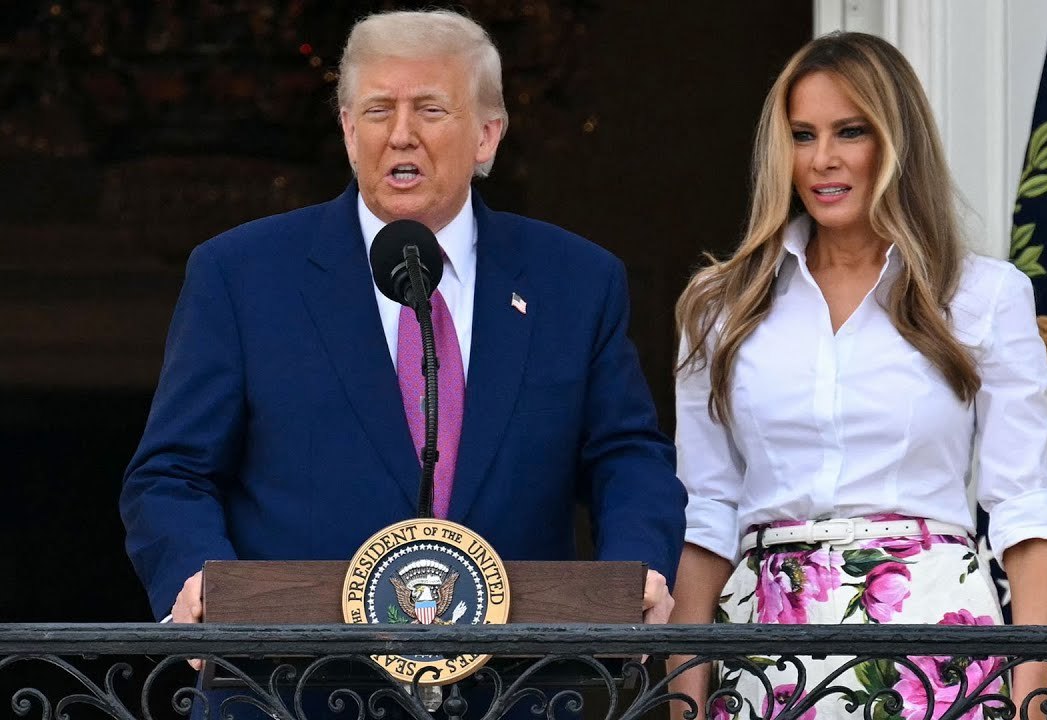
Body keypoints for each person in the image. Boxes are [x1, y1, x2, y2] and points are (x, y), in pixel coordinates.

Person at [120, 9, 683, 637]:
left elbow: (627, 458)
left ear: (487, 136)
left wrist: (638, 570)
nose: (401, 135)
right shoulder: (241, 275)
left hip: (519, 673)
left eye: (430, 110)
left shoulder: (574, 281)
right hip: (292, 675)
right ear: (347, 130)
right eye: (378, 110)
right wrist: (199, 580)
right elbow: (172, 475)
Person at [667, 32, 1047, 720]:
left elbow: (1023, 506)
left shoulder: (984, 296)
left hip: (936, 650)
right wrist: (684, 699)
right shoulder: (720, 306)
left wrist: (1029, 702)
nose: (821, 158)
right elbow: (707, 513)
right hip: (765, 655)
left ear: (897, 141)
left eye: (849, 132)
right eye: (802, 135)